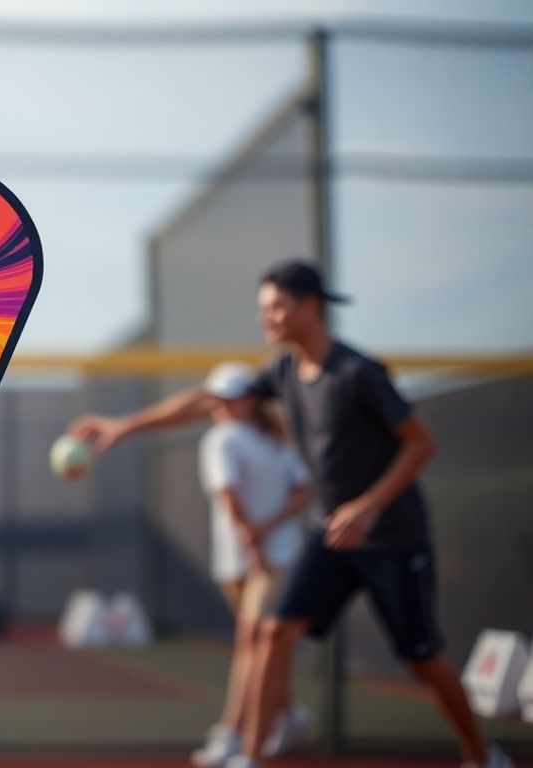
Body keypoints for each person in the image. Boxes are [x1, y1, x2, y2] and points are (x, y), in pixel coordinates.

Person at [70, 260, 511, 768]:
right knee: (274, 632)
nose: (267, 318)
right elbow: (206, 400)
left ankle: (483, 756)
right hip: (332, 536)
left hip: (391, 539)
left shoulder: (358, 373)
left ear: (310, 307)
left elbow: (421, 443)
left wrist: (367, 507)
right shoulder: (281, 372)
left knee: (421, 661)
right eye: (263, 309)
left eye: (277, 307)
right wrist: (125, 426)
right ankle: (252, 757)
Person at [191, 361, 312, 767]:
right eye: (217, 399)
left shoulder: (267, 440)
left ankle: (232, 736)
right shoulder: (226, 438)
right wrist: (255, 535)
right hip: (236, 561)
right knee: (263, 648)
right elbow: (231, 496)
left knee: (252, 644)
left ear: (249, 400)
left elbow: (301, 490)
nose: (221, 405)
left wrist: (261, 534)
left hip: (273, 557)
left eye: (230, 398)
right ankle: (289, 715)